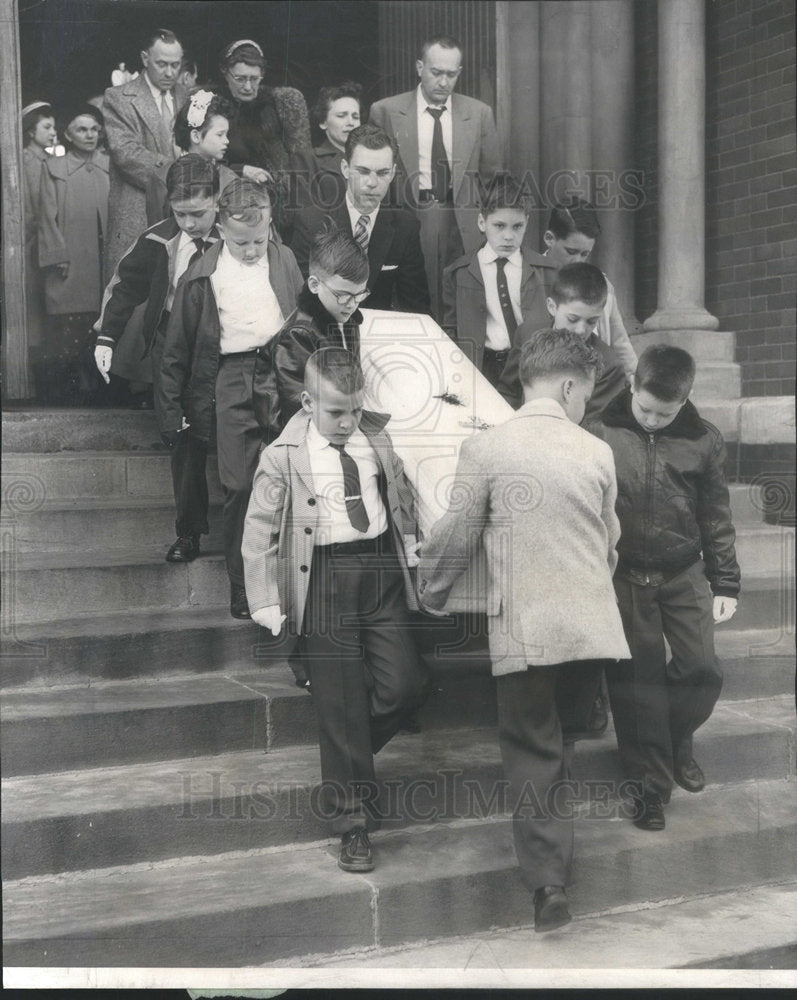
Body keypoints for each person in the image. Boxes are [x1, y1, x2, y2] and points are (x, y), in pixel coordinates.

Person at [419, 329, 630, 932]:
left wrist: (432, 591)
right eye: (586, 394)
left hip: (527, 629)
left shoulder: (490, 448)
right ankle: (553, 854)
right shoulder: (596, 452)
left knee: (532, 749)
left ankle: (548, 885)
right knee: (559, 743)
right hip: (590, 630)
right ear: (569, 386)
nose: (585, 405)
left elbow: (458, 533)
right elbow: (610, 541)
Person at [242, 347, 430, 872]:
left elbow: (400, 496)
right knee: (343, 698)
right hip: (322, 577)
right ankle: (352, 825)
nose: (347, 422)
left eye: (353, 409)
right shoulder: (284, 454)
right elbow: (257, 531)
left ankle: (346, 760)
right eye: (335, 413)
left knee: (405, 685)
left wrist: (412, 544)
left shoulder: (375, 436)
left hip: (379, 572)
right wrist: (264, 598)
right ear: (307, 402)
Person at [587, 345, 740, 831]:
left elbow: (716, 515)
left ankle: (674, 741)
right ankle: (649, 788)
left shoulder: (704, 440)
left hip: (682, 571)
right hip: (626, 573)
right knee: (639, 684)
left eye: (665, 413)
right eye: (645, 408)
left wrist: (726, 582)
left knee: (702, 670)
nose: (652, 420)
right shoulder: (600, 430)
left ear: (685, 400)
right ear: (632, 387)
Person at [157, 178, 303, 619]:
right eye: (242, 242)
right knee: (240, 484)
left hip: (283, 372)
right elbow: (176, 349)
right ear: (220, 228)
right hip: (232, 377)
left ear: (271, 225)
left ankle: (293, 581)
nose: (253, 250)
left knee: (294, 478)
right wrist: (170, 412)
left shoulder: (284, 258)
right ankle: (244, 585)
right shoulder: (202, 275)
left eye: (260, 239)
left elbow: (303, 321)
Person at [94, 156, 220, 562]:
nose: (189, 224)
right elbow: (125, 286)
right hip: (173, 345)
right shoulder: (157, 238)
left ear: (217, 200)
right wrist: (107, 338)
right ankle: (189, 532)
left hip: (224, 345)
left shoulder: (239, 236)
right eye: (180, 213)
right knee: (181, 437)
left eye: (198, 213)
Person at [369, 35, 502, 320]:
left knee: (461, 300)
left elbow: (492, 178)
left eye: (451, 74)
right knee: (416, 299)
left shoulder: (479, 114)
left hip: (463, 218)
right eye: (436, 72)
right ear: (420, 67)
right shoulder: (386, 111)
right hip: (412, 215)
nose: (443, 82)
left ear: (459, 73)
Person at [290, 124, 430, 314]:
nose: (372, 183)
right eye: (363, 171)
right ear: (345, 168)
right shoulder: (312, 223)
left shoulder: (405, 226)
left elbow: (415, 305)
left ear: (393, 173)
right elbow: (304, 299)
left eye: (382, 173)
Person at [442, 173, 556, 389]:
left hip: (532, 369)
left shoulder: (547, 272)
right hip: (483, 369)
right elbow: (450, 330)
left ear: (527, 223)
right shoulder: (459, 273)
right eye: (499, 226)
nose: (508, 236)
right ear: (482, 222)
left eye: (517, 227)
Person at [37, 102, 109, 406]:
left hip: (102, 261)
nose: (89, 135)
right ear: (68, 134)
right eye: (82, 129)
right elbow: (46, 218)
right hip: (71, 261)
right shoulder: (54, 169)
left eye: (94, 129)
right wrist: (57, 256)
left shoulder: (110, 166)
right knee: (68, 326)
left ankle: (100, 391)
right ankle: (67, 393)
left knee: (102, 322)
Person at [103, 27, 187, 280]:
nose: (170, 72)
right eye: (162, 64)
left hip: (184, 213)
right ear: (144, 58)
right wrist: (185, 174)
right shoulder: (118, 98)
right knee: (134, 294)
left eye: (176, 65)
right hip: (138, 213)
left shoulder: (191, 97)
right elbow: (127, 153)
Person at [267, 227, 370, 428]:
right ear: (314, 285)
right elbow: (298, 406)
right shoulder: (299, 335)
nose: (352, 304)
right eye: (342, 295)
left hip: (337, 418)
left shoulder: (346, 316)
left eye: (359, 295)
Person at [498, 263, 626, 420]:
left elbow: (592, 427)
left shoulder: (610, 366)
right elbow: (508, 393)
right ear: (552, 307)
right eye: (573, 319)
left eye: (591, 322)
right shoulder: (527, 334)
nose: (581, 330)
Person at [216, 39, 312, 233]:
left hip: (278, 206)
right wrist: (239, 170)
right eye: (240, 79)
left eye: (254, 78)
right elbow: (201, 159)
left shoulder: (279, 103)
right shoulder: (213, 106)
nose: (248, 86)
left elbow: (302, 158)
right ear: (226, 73)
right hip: (229, 201)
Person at [543, 197, 638, 380]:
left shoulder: (601, 284)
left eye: (585, 254)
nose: (578, 261)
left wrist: (636, 380)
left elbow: (619, 342)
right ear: (549, 239)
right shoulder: (531, 277)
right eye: (571, 252)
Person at [145, 89, 237, 225]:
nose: (226, 141)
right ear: (196, 136)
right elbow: (157, 231)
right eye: (220, 134)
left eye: (226, 134)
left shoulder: (229, 178)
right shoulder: (162, 178)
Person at [21, 101, 57, 399]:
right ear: (30, 130)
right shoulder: (24, 162)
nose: (52, 133)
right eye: (46, 127)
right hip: (29, 245)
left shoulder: (47, 160)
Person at [309, 81, 362, 208]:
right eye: (341, 116)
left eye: (355, 117)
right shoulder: (308, 160)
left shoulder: (375, 156)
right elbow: (307, 215)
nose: (350, 122)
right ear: (323, 122)